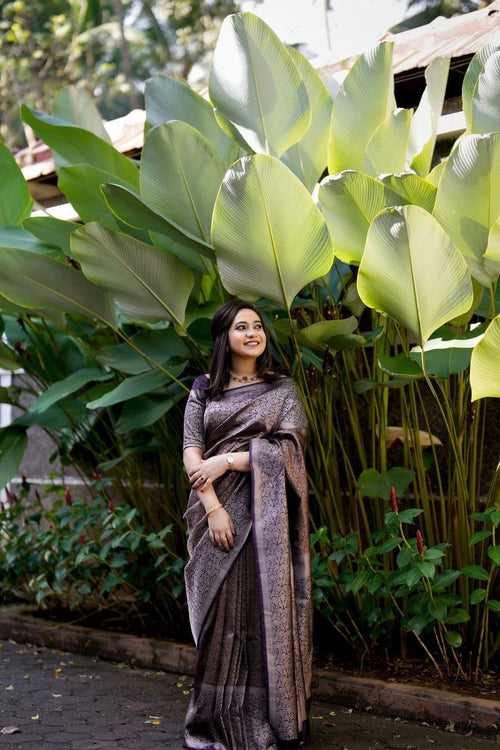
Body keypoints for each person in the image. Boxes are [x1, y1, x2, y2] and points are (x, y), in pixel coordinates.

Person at [182, 299, 312, 750]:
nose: (253, 333)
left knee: (261, 615)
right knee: (218, 618)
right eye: (242, 327)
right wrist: (214, 507)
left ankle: (263, 719)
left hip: (266, 520)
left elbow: (291, 454)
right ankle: (212, 720)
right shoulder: (204, 389)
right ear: (225, 337)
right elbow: (191, 451)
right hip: (215, 515)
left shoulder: (282, 389)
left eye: (258, 326)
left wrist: (228, 461)